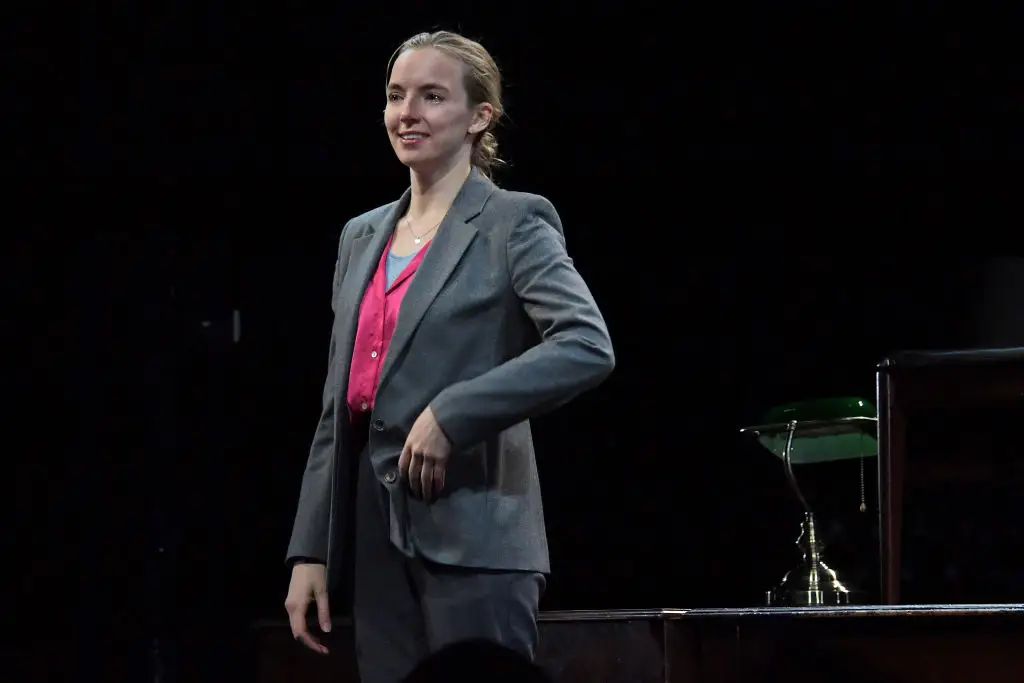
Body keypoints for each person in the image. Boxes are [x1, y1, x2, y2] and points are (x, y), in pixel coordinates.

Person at [282, 29, 615, 683]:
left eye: (432, 96)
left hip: (477, 533)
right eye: (396, 96)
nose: (409, 113)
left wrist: (453, 412)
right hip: (379, 541)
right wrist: (310, 551)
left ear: (478, 116)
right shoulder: (362, 236)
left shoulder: (513, 221)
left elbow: (586, 344)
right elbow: (337, 408)